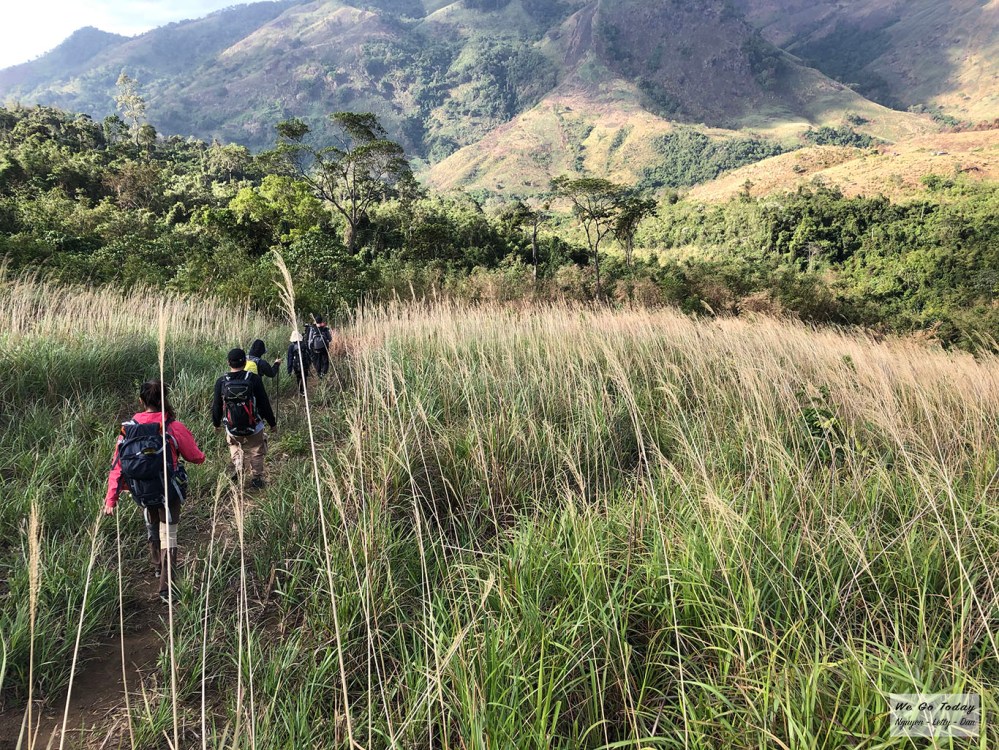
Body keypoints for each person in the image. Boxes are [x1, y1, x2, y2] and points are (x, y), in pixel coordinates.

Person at [105, 380, 205, 602]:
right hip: (168, 490)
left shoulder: (127, 429)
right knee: (169, 532)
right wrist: (197, 455)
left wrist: (111, 499)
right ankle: (166, 588)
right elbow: (195, 457)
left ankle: (157, 566)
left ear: (141, 401)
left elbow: (117, 465)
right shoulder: (171, 426)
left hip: (140, 491)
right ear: (165, 399)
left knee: (152, 525)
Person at [212, 348, 277, 490]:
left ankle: (238, 467)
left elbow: (217, 405)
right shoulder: (254, 379)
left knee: (234, 446)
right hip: (254, 425)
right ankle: (257, 478)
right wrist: (272, 423)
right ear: (245, 361)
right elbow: (264, 403)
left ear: (228, 362)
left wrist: (216, 423)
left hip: (232, 426)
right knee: (256, 450)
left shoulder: (221, 381)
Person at [307, 315, 333, 380]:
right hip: (324, 348)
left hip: (315, 349)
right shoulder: (325, 328)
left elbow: (310, 340)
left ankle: (319, 373)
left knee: (317, 361)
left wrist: (310, 348)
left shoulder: (312, 328)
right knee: (325, 361)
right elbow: (330, 339)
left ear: (315, 321)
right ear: (321, 321)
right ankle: (324, 373)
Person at [287, 330, 311, 395]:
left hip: (296, 366)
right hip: (305, 365)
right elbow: (309, 355)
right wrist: (309, 365)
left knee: (298, 378)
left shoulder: (291, 347)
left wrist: (289, 370)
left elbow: (290, 359)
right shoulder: (304, 345)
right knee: (304, 378)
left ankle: (300, 391)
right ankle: (304, 391)